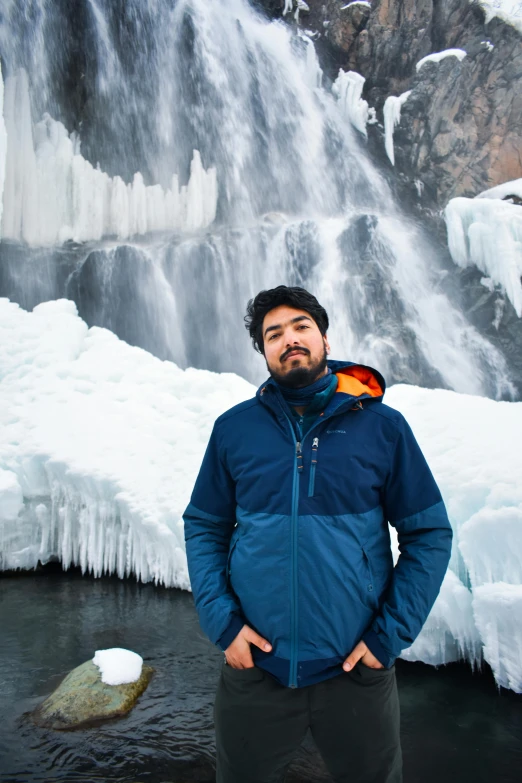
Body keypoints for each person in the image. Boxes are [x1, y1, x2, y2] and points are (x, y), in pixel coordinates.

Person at [183, 285, 453, 783]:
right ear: (263, 352)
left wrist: (386, 638)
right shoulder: (234, 430)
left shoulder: (384, 428)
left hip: (356, 673)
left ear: (325, 338)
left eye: (301, 326)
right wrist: (222, 623)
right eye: (274, 334)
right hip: (255, 670)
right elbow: (204, 524)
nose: (289, 339)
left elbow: (430, 534)